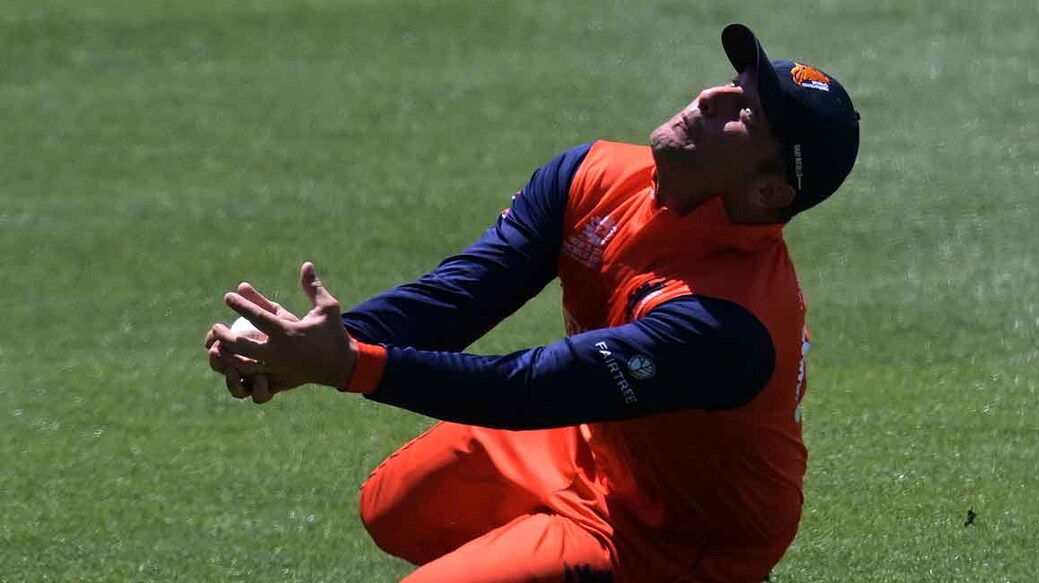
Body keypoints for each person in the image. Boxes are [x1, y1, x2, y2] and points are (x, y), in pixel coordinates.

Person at [204, 22, 860, 583]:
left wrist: (349, 364)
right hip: (591, 443)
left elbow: (531, 389)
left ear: (771, 191)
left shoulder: (727, 322)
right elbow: (461, 294)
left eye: (744, 113)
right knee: (393, 505)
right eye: (734, 83)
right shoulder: (596, 174)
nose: (711, 94)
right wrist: (298, 343)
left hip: (672, 541)